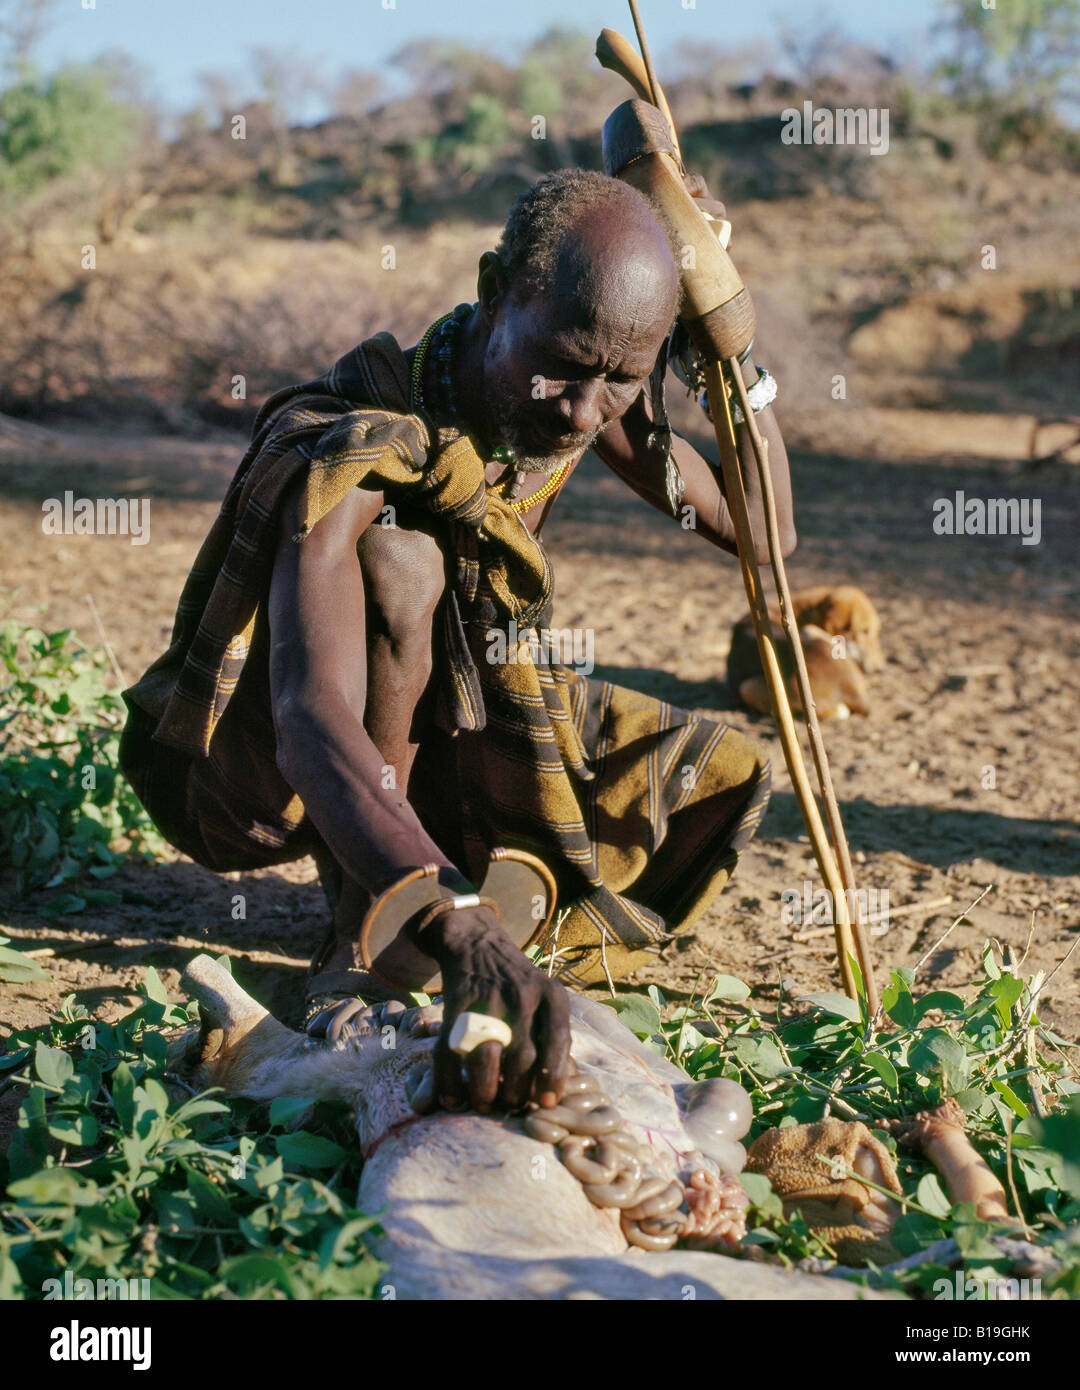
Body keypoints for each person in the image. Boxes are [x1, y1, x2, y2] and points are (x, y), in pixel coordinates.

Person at [120, 169, 795, 1120]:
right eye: (565, 367)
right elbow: (309, 711)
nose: (582, 413)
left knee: (705, 773)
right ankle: (360, 935)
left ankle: (455, 878)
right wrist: (462, 928)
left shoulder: (580, 391)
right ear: (492, 289)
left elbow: (766, 531)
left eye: (623, 381)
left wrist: (729, 347)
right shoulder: (357, 441)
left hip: (455, 723)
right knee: (404, 568)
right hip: (278, 759)